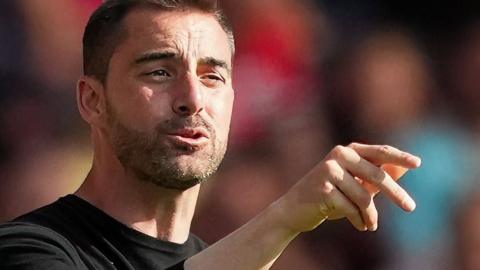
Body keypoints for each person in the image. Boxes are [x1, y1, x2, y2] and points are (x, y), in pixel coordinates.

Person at [0, 0, 421, 269]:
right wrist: (282, 218)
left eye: (212, 75)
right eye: (159, 72)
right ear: (93, 100)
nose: (191, 98)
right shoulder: (29, 249)